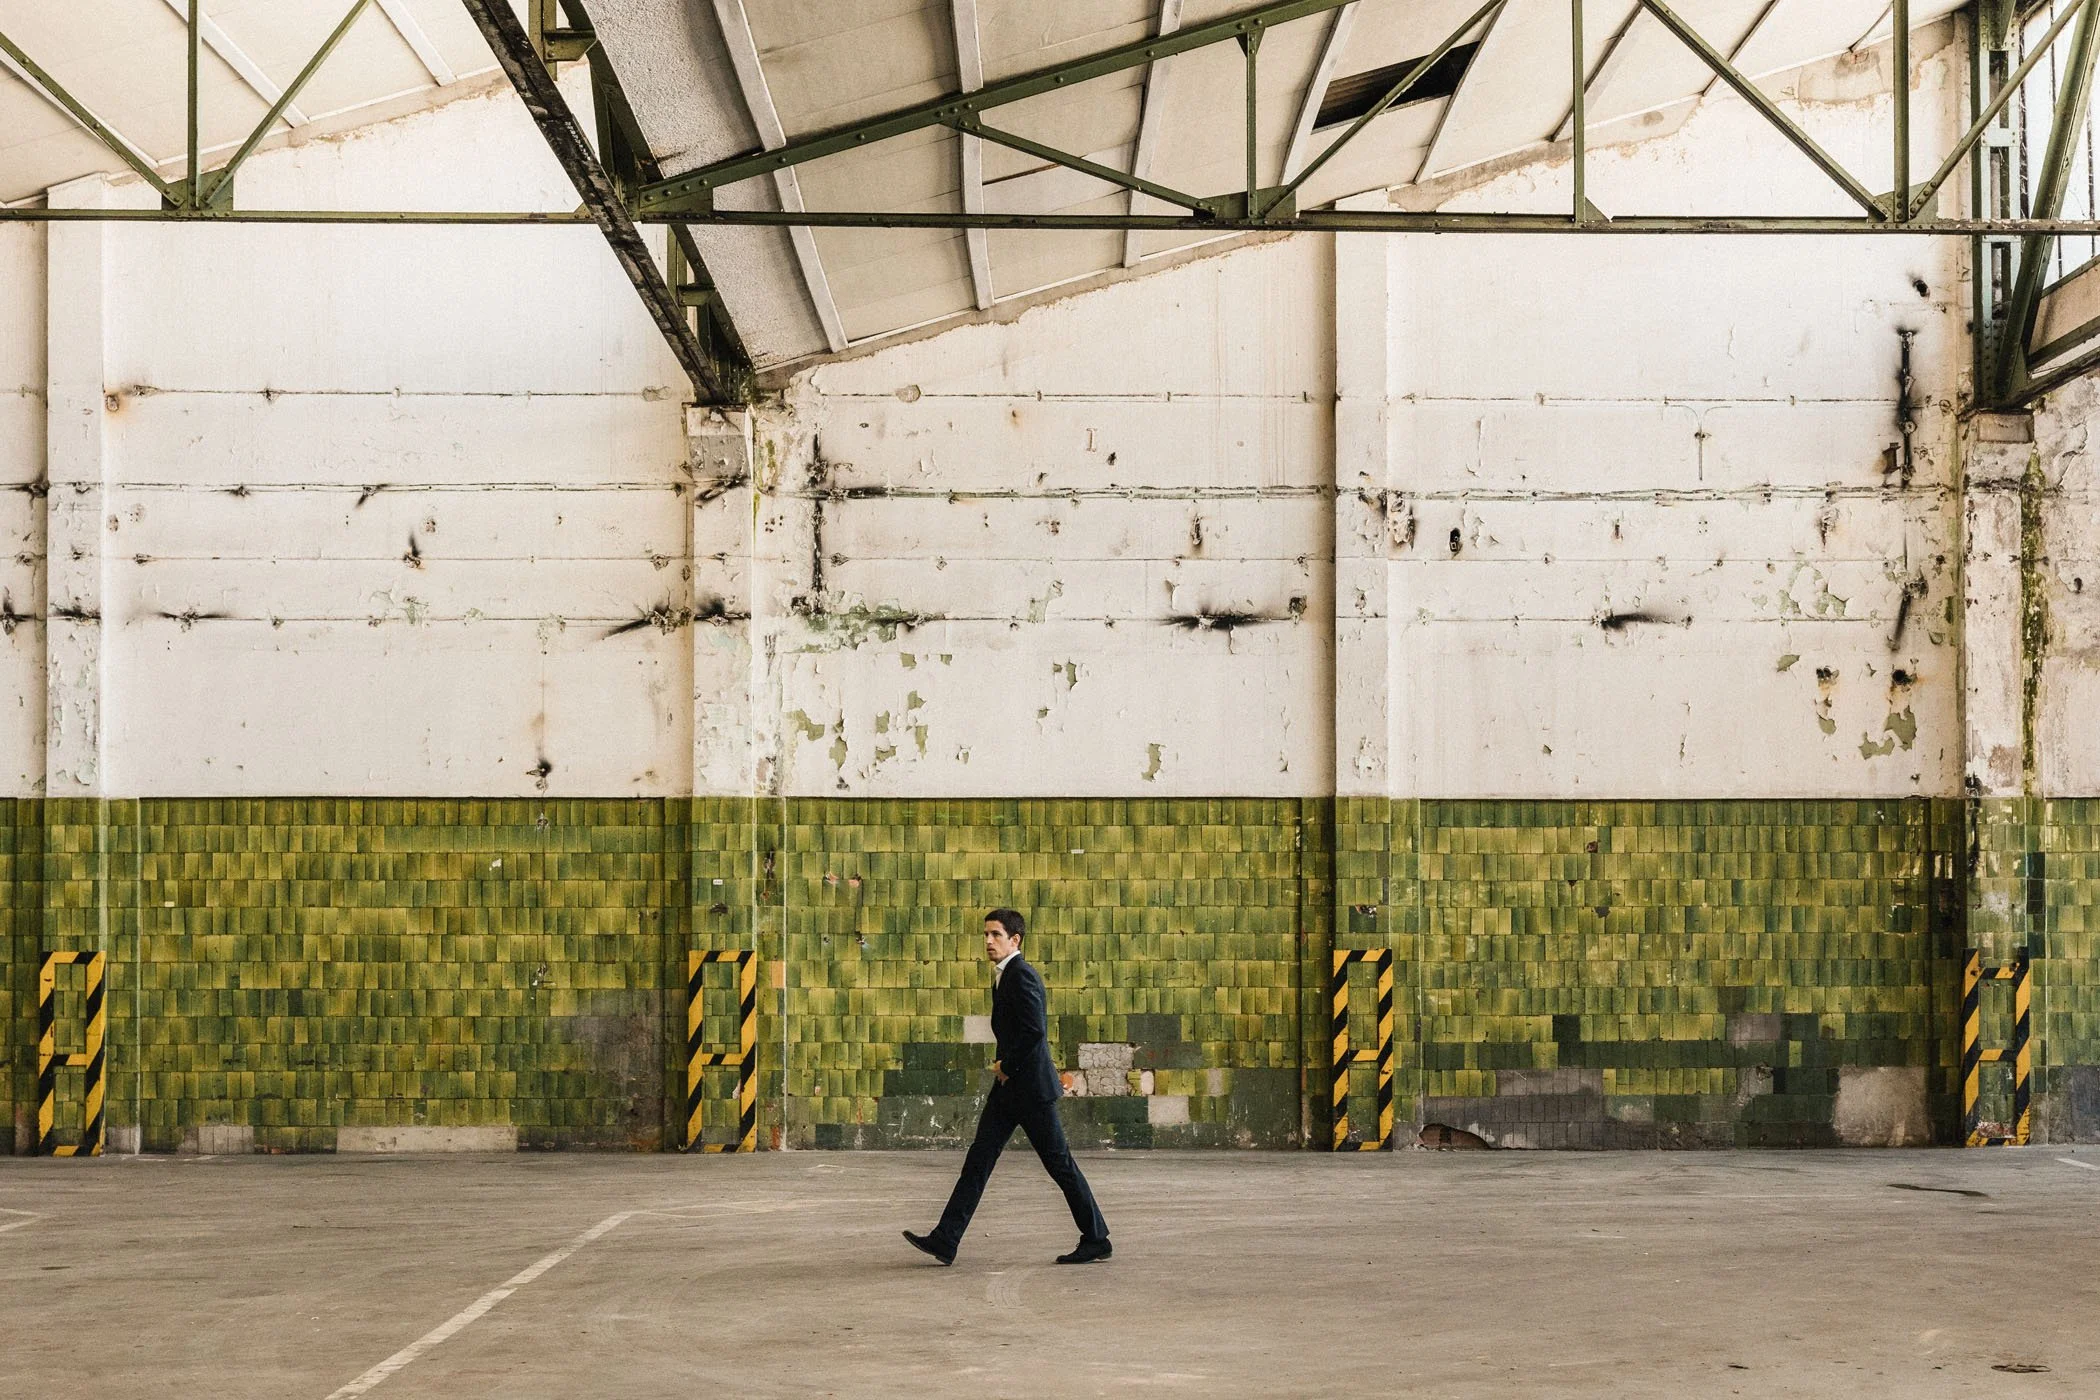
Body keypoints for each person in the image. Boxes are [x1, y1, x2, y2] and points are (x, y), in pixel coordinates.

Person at [903, 909, 1111, 1266]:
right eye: (985, 935)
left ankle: (1096, 1238)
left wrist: (1007, 1065)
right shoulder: (1003, 976)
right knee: (978, 1160)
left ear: (1015, 940)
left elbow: (1034, 1032)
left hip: (1029, 1091)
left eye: (995, 935)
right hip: (1010, 1090)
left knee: (1059, 1164)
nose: (988, 941)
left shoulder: (1021, 976)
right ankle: (945, 1239)